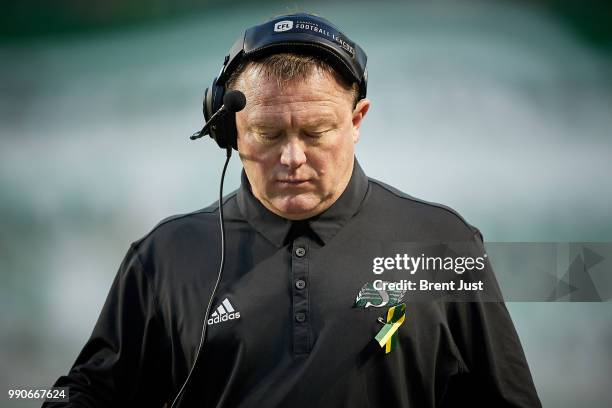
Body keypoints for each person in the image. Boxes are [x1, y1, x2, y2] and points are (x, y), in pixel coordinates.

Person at [44, 13, 541, 407]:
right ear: (228, 129)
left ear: (356, 120)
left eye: (315, 132)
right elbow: (84, 394)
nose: (292, 158)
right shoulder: (163, 256)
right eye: (269, 133)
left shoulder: (442, 241)